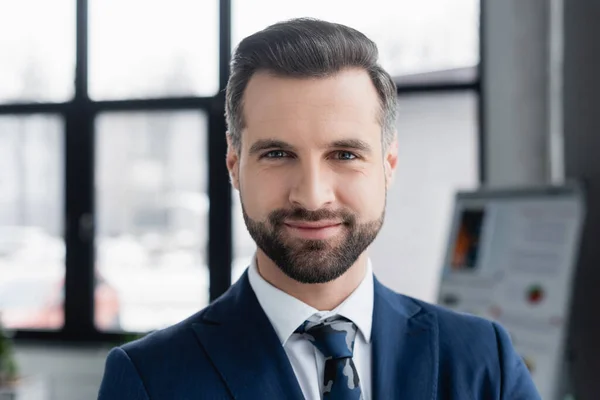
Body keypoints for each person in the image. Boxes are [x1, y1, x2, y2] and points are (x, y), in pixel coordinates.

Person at [98, 18, 540, 399]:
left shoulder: (485, 361)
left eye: (345, 155)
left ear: (388, 166)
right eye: (276, 154)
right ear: (235, 167)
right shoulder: (150, 379)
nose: (311, 196)